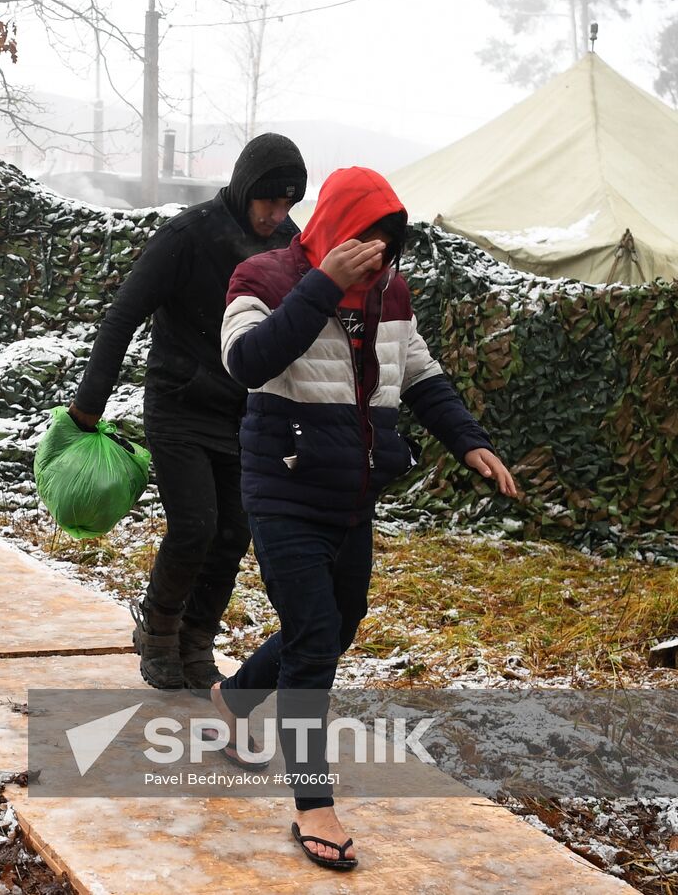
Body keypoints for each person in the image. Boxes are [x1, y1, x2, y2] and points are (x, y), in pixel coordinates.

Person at [210, 166, 519, 871]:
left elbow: (419, 373)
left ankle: (238, 694)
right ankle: (313, 803)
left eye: (388, 240)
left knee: (339, 623)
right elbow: (247, 362)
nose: (376, 253)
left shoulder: (392, 293)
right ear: (332, 229)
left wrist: (469, 440)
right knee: (316, 639)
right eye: (365, 237)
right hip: (281, 488)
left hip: (351, 495)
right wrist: (320, 287)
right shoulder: (262, 278)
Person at [68, 133, 308, 691]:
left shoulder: (291, 247)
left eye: (288, 204)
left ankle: (197, 639)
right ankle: (156, 629)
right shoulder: (188, 234)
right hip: (178, 403)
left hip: (243, 413)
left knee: (234, 531)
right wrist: (88, 406)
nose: (277, 214)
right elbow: (123, 316)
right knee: (195, 524)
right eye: (268, 201)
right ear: (247, 188)